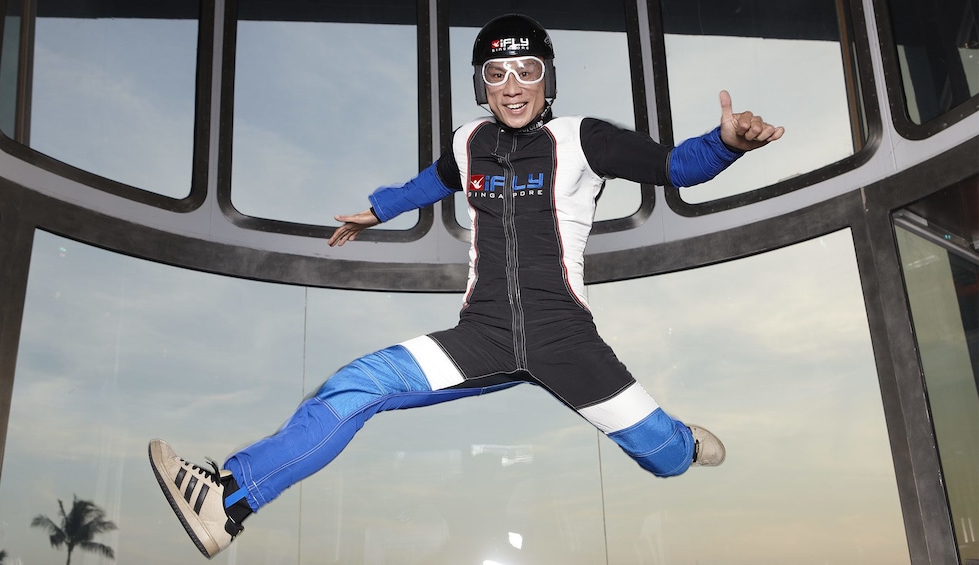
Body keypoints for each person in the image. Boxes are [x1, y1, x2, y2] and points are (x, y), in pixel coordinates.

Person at [149, 13, 784, 559]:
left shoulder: (583, 140)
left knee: (664, 457)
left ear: (548, 80)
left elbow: (675, 166)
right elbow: (436, 178)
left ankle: (682, 443)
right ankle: (230, 497)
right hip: (481, 336)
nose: (513, 87)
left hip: (564, 339)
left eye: (528, 71)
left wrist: (726, 143)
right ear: (482, 85)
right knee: (358, 383)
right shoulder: (470, 141)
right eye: (498, 75)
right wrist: (382, 208)